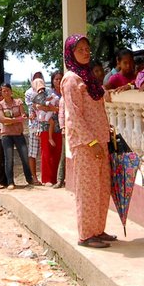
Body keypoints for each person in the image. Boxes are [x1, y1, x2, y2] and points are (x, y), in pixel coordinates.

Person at [61, 34, 114, 249]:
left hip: (100, 141)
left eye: (87, 48)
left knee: (101, 188)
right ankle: (86, 235)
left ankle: (98, 230)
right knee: (88, 189)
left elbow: (98, 102)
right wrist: (92, 143)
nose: (85, 52)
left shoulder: (88, 78)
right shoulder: (71, 79)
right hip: (86, 145)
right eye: (80, 49)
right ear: (71, 53)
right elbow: (74, 116)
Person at [0, 83, 34, 187]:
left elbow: (23, 114)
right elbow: (2, 119)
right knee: (9, 158)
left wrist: (17, 119)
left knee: (25, 157)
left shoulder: (18, 102)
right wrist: (17, 119)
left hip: (18, 133)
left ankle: (30, 180)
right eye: (3, 91)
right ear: (1, 92)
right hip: (6, 135)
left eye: (7, 90)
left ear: (11, 91)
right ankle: (10, 182)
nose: (6, 93)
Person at [36, 73, 63, 187]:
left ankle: (56, 178)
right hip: (47, 125)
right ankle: (47, 179)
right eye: (56, 79)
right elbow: (38, 106)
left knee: (58, 152)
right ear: (52, 81)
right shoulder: (47, 92)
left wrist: (56, 109)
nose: (58, 81)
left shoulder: (66, 93)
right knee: (46, 153)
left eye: (60, 79)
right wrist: (52, 109)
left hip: (60, 126)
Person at [24, 72, 44, 184]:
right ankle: (34, 177)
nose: (38, 80)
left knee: (45, 152)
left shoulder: (47, 91)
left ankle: (46, 176)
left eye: (39, 77)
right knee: (32, 152)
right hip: (34, 126)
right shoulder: (29, 93)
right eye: (35, 78)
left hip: (45, 125)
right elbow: (34, 106)